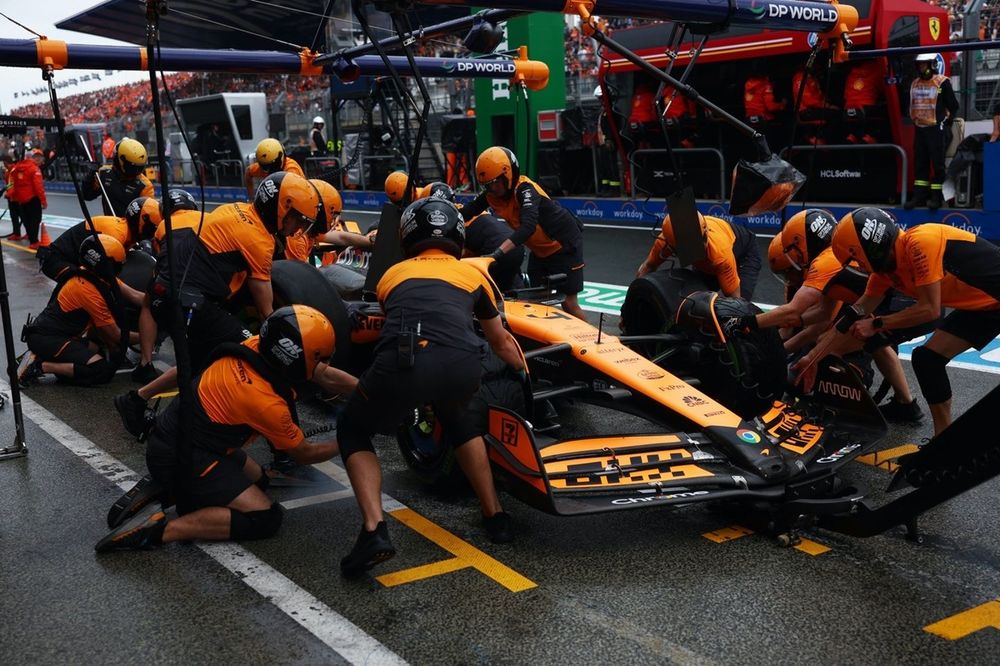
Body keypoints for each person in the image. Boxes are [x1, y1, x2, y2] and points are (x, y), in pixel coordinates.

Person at [337, 197, 526, 577]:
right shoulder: (473, 275)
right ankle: (495, 516)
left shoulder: (392, 274)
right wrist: (525, 378)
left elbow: (392, 322)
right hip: (462, 366)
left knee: (352, 428)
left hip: (406, 362)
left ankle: (374, 530)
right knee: (462, 421)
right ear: (456, 233)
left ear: (409, 235)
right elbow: (501, 342)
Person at [95, 305, 343, 552]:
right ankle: (159, 530)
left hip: (180, 435)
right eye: (321, 358)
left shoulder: (254, 346)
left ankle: (165, 488)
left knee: (259, 481)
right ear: (293, 358)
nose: (326, 363)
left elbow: (325, 375)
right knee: (265, 518)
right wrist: (348, 439)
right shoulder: (266, 403)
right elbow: (303, 453)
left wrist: (365, 390)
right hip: (185, 454)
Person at [114, 172, 321, 440]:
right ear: (282, 209)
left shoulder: (235, 209)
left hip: (171, 294)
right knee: (258, 353)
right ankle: (281, 442)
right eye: (297, 220)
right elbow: (267, 313)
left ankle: (135, 400)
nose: (297, 230)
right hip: (190, 302)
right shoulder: (259, 240)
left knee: (197, 364)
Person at [795, 208, 1000, 435]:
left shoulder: (921, 243)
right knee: (927, 359)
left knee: (926, 358)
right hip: (986, 307)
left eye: (855, 259)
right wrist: (812, 358)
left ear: (867, 250)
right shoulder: (883, 274)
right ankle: (943, 442)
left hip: (991, 302)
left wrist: (876, 324)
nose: (859, 267)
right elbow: (852, 316)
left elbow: (929, 310)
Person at [725, 209, 923, 422]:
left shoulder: (823, 264)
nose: (790, 275)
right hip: (894, 300)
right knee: (870, 337)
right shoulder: (831, 260)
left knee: (844, 341)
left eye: (789, 267)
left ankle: (852, 394)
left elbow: (799, 314)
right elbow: (823, 313)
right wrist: (795, 324)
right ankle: (906, 404)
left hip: (903, 301)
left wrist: (743, 322)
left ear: (799, 244)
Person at [462, 146, 587, 320]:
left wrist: (497, 254)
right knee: (534, 303)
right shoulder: (492, 195)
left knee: (569, 303)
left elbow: (527, 228)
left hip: (564, 246)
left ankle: (595, 341)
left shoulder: (525, 189)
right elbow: (467, 212)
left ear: (508, 175)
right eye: (487, 185)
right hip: (540, 251)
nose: (492, 189)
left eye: (495, 183)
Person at [17, 234, 131, 387]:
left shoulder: (90, 274)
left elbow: (135, 296)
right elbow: (117, 336)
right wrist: (150, 335)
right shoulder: (88, 289)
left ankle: (41, 357)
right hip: (48, 338)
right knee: (100, 370)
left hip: (56, 335)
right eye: (118, 264)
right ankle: (39, 366)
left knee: (98, 351)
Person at [636, 211, 761, 300]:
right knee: (693, 300)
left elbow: (735, 300)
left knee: (741, 306)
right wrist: (628, 310)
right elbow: (648, 266)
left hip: (744, 253)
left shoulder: (720, 254)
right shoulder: (664, 242)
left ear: (705, 234)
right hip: (709, 261)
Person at [903, 53, 958, 211]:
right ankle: (919, 196)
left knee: (938, 164)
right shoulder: (915, 83)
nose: (921, 68)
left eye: (924, 65)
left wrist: (946, 121)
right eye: (919, 65)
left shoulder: (942, 82)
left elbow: (953, 106)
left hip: (936, 129)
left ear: (932, 65)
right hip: (920, 128)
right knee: (920, 163)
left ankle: (936, 197)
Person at [83, 138, 155, 217]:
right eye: (132, 167)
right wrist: (90, 175)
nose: (136, 171)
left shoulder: (145, 186)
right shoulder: (104, 173)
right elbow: (87, 195)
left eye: (140, 167)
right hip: (110, 224)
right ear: (119, 160)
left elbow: (148, 216)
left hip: (131, 227)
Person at [6, 145, 46, 249]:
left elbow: (12, 182)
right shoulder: (34, 169)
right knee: (35, 219)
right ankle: (34, 241)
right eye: (41, 161)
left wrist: (11, 195)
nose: (42, 163)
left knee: (26, 219)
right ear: (37, 159)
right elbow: (38, 187)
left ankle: (31, 238)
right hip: (32, 198)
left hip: (21, 199)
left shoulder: (17, 168)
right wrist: (43, 201)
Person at [3, 152, 24, 240]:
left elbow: (13, 184)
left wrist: (8, 193)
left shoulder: (13, 170)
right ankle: (18, 233)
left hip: (15, 197)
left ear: (6, 162)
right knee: (16, 216)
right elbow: (9, 184)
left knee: (18, 216)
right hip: (12, 197)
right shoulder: (8, 171)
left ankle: (18, 234)